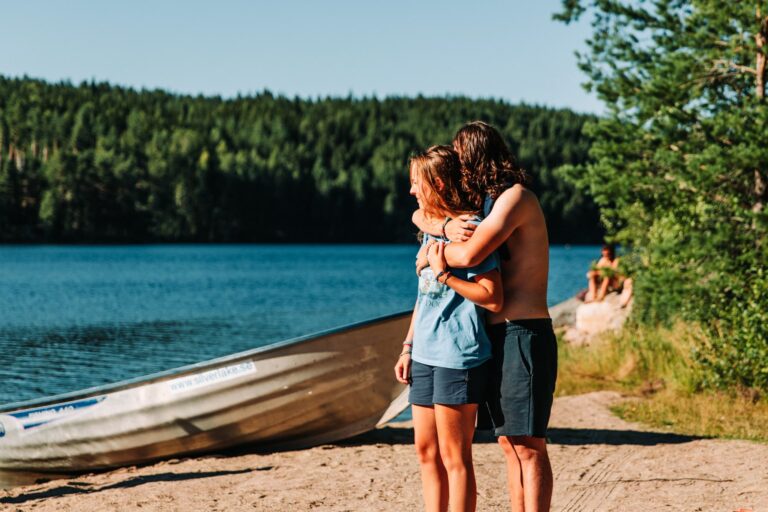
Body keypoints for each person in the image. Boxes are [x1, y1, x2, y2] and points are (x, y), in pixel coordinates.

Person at [413, 121, 557, 512]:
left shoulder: (515, 199)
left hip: (523, 332)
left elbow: (468, 255)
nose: (456, 168)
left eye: (460, 158)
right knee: (509, 444)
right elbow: (419, 216)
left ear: (475, 156)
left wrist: (431, 255)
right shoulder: (488, 204)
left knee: (528, 445)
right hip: (494, 336)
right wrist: (438, 224)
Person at [394, 145, 503, 512]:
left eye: (415, 183)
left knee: (455, 457)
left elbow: (492, 296)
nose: (411, 190)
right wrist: (408, 346)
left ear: (437, 183)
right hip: (424, 353)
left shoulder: (471, 230)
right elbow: (424, 296)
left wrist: (444, 274)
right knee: (427, 452)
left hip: (459, 355)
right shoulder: (433, 229)